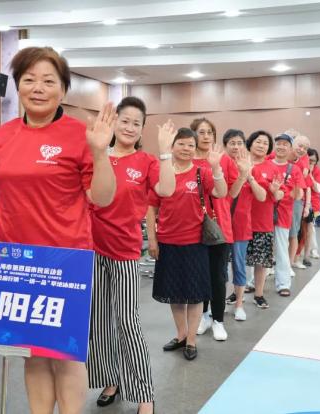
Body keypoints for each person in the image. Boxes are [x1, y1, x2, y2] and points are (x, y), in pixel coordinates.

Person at [0, 47, 117, 414]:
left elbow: (102, 198)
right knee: (32, 352)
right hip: (16, 261)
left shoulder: (80, 135)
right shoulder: (1, 137)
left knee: (65, 354)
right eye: (29, 80)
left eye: (49, 81)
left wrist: (100, 154)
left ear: (63, 90)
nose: (38, 88)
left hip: (65, 262)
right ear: (18, 86)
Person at [87, 96, 176, 414]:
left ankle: (144, 394)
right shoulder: (97, 155)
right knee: (98, 322)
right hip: (90, 249)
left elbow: (166, 190)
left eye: (136, 123)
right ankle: (110, 380)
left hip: (124, 251)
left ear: (142, 129)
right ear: (113, 122)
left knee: (127, 322)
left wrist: (165, 152)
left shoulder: (146, 161)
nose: (129, 127)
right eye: (124, 120)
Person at [147, 128, 227, 361]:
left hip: (195, 243)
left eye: (191, 145)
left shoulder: (202, 173)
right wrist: (152, 239)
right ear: (171, 147)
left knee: (195, 295)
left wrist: (216, 168)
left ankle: (191, 340)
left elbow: (221, 192)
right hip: (167, 242)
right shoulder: (161, 172)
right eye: (181, 144)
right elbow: (151, 208)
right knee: (174, 294)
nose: (186, 148)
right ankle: (181, 335)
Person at [190, 118, 236, 341]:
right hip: (192, 227)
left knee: (218, 275)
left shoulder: (223, 159)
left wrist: (243, 174)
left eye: (210, 132)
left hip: (219, 226)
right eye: (201, 132)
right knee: (199, 275)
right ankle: (203, 315)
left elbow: (232, 193)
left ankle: (218, 320)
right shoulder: (187, 159)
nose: (206, 136)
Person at [223, 129, 266, 321]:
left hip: (241, 225)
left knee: (239, 266)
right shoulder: (220, 165)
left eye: (239, 143)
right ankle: (218, 303)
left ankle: (239, 304)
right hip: (221, 225)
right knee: (220, 268)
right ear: (225, 146)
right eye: (232, 143)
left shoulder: (251, 168)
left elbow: (262, 196)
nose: (236, 146)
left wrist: (248, 175)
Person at [245, 131, 283, 309]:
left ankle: (258, 294)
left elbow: (279, 195)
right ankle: (237, 291)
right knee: (237, 259)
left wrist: (275, 191)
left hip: (262, 221)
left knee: (260, 261)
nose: (261, 145)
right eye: (258, 142)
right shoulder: (240, 163)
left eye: (265, 143)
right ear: (250, 143)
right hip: (240, 220)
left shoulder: (273, 168)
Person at [271, 133, 306, 296]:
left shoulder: (295, 169)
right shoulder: (265, 164)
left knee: (281, 249)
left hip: (283, 215)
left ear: (290, 148)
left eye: (285, 144)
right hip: (261, 215)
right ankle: (251, 282)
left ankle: (283, 283)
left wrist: (294, 192)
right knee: (258, 248)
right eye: (278, 143)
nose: (281, 146)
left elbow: (299, 194)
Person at [288, 135, 311, 271]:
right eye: (299, 146)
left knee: (293, 234)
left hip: (296, 202)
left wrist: (306, 207)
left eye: (305, 148)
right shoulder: (278, 158)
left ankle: (289, 264)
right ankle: (272, 265)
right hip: (278, 201)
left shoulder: (302, 164)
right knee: (277, 235)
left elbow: (306, 188)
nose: (302, 149)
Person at [301, 148, 320, 262]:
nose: (311, 163)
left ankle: (313, 250)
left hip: (313, 204)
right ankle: (302, 251)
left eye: (313, 161)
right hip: (301, 202)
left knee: (310, 228)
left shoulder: (317, 171)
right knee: (302, 230)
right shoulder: (300, 167)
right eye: (309, 160)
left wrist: (310, 175)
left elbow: (317, 188)